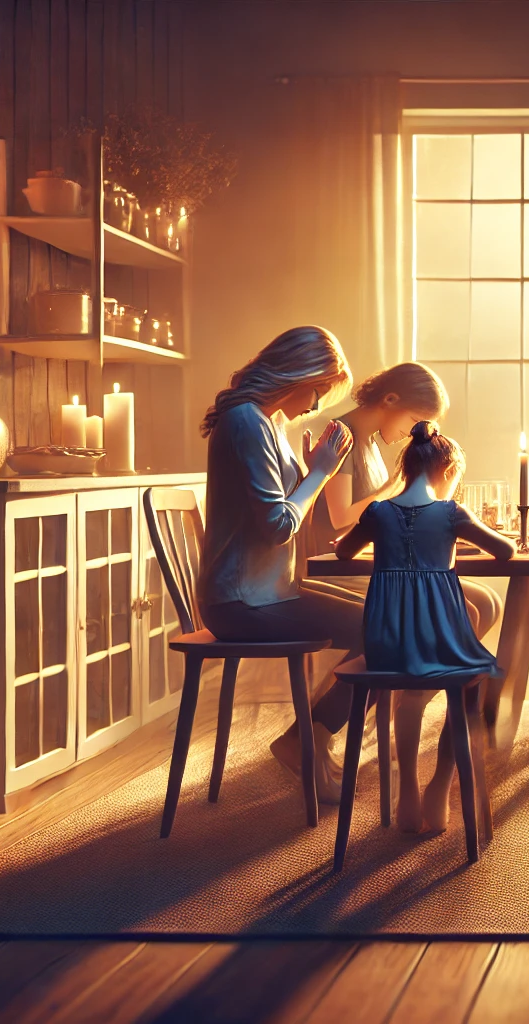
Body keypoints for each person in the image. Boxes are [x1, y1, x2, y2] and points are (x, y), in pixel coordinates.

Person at [197, 325, 359, 803]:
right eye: (316, 391)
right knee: (386, 631)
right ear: (297, 374)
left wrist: (308, 474)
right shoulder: (246, 422)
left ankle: (309, 736)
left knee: (384, 620)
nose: (314, 405)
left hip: (270, 591)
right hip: (242, 602)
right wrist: (321, 474)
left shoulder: (268, 423)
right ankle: (306, 739)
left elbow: (285, 520)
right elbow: (278, 527)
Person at [334, 422, 515, 832]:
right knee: (470, 677)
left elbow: (344, 551)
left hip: (385, 642)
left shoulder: (378, 512)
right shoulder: (452, 513)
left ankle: (410, 790)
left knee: (411, 691)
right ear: (448, 474)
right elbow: (506, 551)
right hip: (437, 640)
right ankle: (440, 784)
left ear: (406, 469)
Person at [308, 361, 502, 639]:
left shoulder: (370, 443)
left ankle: (409, 682)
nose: (411, 433)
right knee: (469, 609)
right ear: (390, 399)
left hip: (373, 561)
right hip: (339, 565)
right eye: (413, 421)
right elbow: (341, 517)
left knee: (486, 602)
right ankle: (405, 681)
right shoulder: (341, 435)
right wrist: (398, 483)